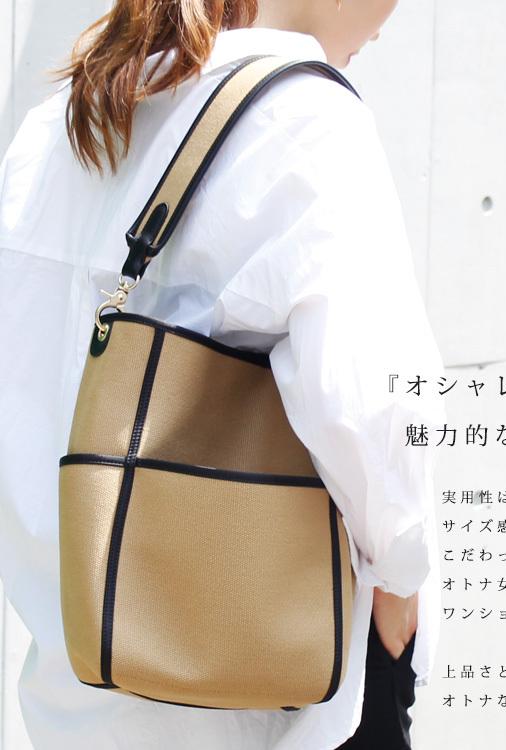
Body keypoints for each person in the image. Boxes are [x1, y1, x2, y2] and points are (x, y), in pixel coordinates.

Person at [0, 1, 446, 748]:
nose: (391, 19)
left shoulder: (58, 127)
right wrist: (401, 573)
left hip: (77, 689)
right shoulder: (306, 119)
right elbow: (369, 404)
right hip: (256, 698)